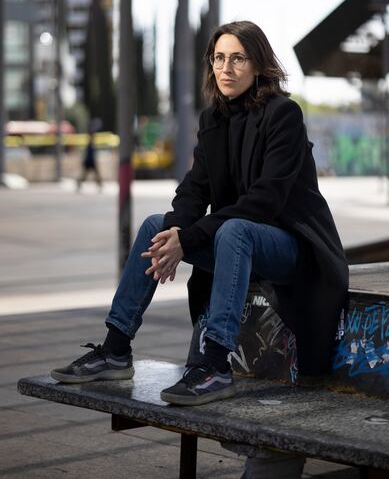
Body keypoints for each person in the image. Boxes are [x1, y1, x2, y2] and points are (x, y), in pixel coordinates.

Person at [52, 21, 349, 407]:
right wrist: (176, 232)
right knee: (155, 225)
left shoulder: (284, 115)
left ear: (258, 64)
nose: (226, 68)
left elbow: (266, 200)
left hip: (292, 248)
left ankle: (214, 365)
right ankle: (116, 348)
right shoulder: (214, 119)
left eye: (238, 59)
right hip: (236, 242)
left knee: (235, 230)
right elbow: (195, 189)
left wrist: (191, 239)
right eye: (219, 58)